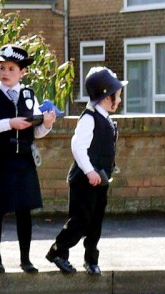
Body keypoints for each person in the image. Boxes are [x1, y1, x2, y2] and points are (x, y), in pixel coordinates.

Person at [0, 44, 57, 274]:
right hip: (1, 159)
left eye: (11, 68)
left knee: (24, 210)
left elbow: (35, 132)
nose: (5, 72)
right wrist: (9, 124)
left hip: (24, 160)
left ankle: (25, 259)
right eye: (2, 67)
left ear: (22, 72)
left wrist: (47, 125)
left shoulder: (29, 95)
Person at [46, 66, 127, 275]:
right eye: (117, 96)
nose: (119, 100)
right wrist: (90, 171)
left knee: (96, 221)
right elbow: (77, 146)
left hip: (100, 178)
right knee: (80, 220)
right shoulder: (89, 118)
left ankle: (91, 259)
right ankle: (58, 251)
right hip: (84, 179)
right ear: (106, 97)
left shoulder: (106, 119)